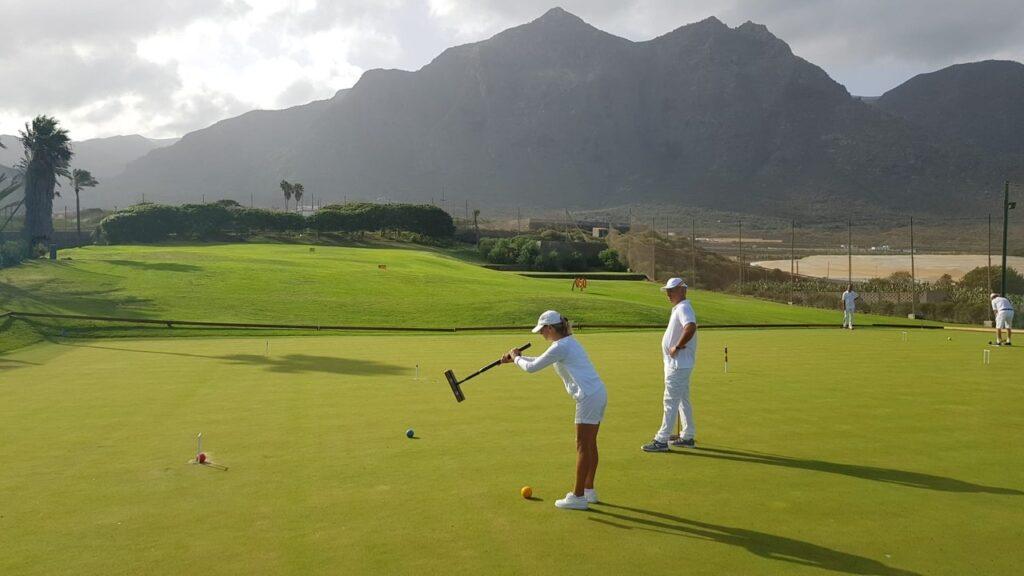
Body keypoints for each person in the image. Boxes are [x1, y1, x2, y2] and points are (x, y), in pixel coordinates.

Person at [502, 310, 607, 510]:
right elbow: (539, 361)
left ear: (550, 328)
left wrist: (516, 358)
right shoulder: (566, 343)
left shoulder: (561, 346)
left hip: (588, 396)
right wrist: (516, 359)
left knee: (583, 446)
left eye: (542, 330)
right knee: (589, 444)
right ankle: (588, 490)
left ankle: (577, 496)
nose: (541, 334)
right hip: (597, 393)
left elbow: (532, 368)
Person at [642, 277, 698, 453]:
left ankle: (661, 439)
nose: (668, 294)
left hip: (678, 364)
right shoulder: (680, 308)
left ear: (682, 290)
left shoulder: (683, 307)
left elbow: (690, 327)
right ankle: (687, 435)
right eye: (667, 290)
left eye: (671, 290)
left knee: (670, 400)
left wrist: (678, 346)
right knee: (682, 399)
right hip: (678, 363)